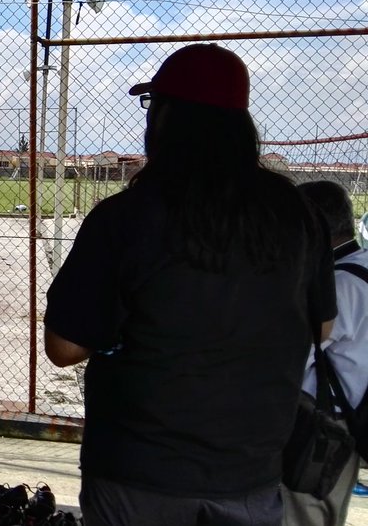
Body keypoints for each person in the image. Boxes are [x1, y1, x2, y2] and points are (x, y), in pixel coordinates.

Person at [43, 44, 336, 526]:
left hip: (137, 472)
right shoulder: (298, 214)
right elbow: (321, 329)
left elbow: (64, 346)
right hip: (253, 469)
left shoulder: (126, 216)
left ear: (165, 120)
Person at [283, 180, 368, 526]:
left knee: (301, 516)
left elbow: (290, 358)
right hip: (350, 423)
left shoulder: (338, 285)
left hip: (321, 429)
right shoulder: (362, 266)